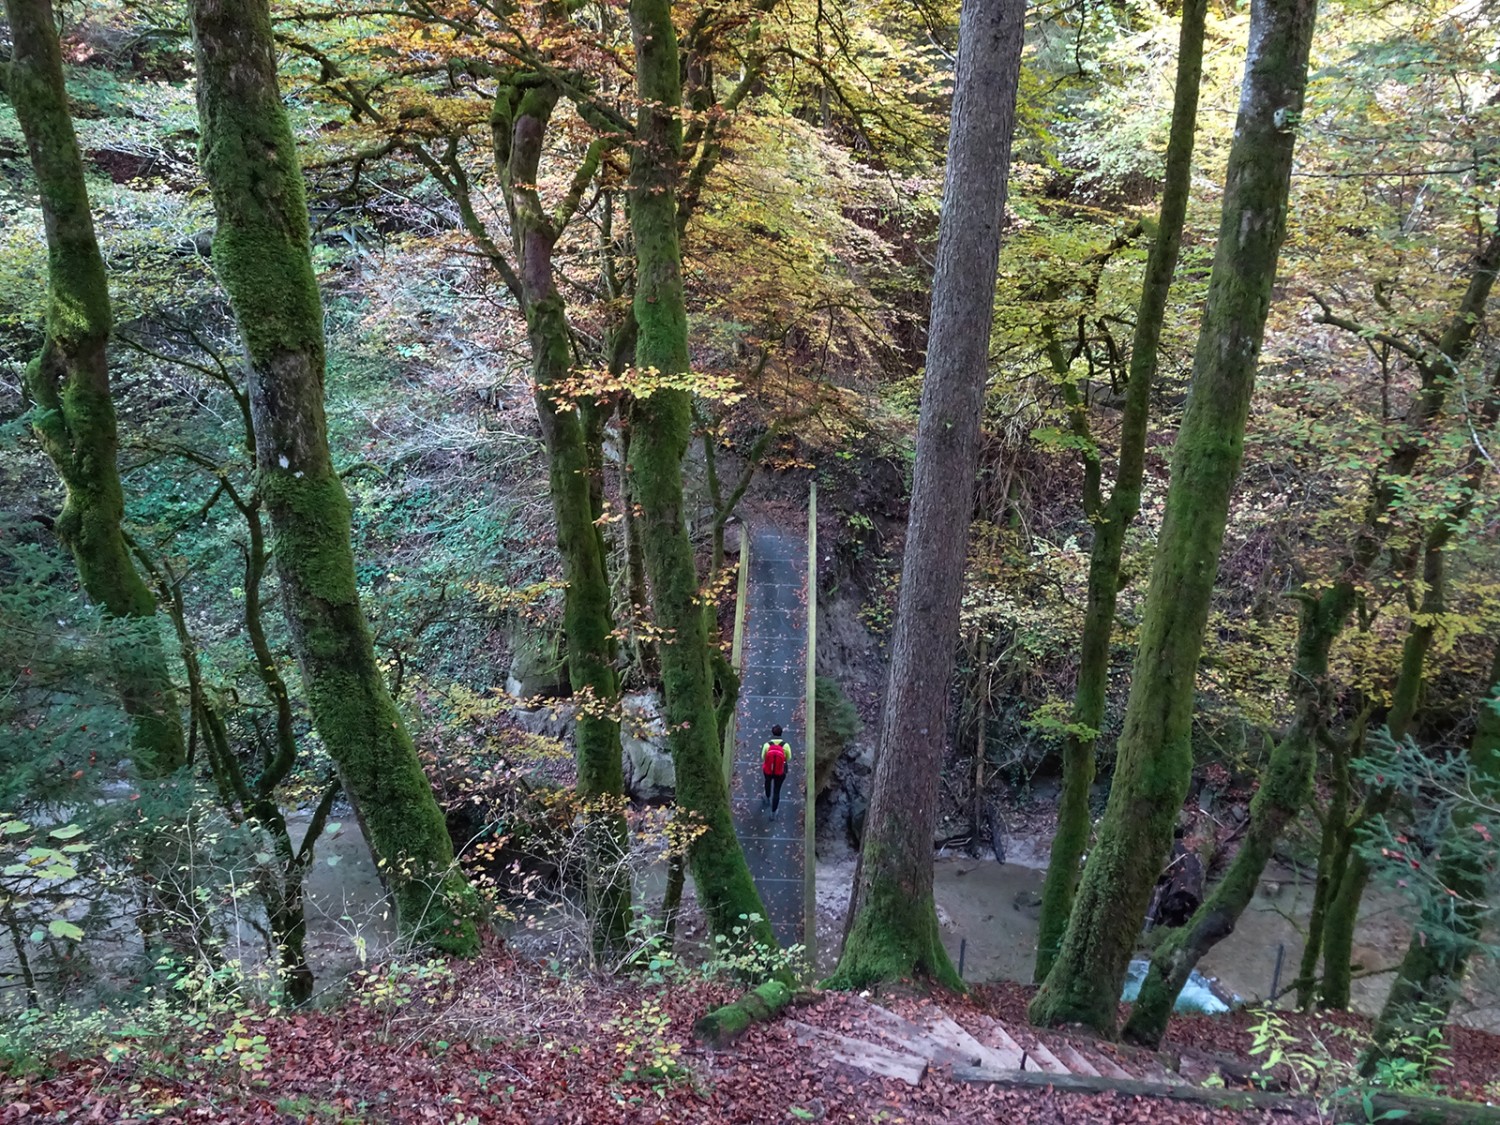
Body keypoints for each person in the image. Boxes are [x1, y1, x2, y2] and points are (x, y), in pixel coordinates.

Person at [761, 725, 790, 819]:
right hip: (780, 772)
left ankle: (767, 797)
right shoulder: (785, 746)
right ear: (781, 734)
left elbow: (763, 757)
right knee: (777, 791)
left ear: (772, 733)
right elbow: (788, 758)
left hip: (768, 770)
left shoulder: (767, 745)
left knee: (767, 782)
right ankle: (773, 813)